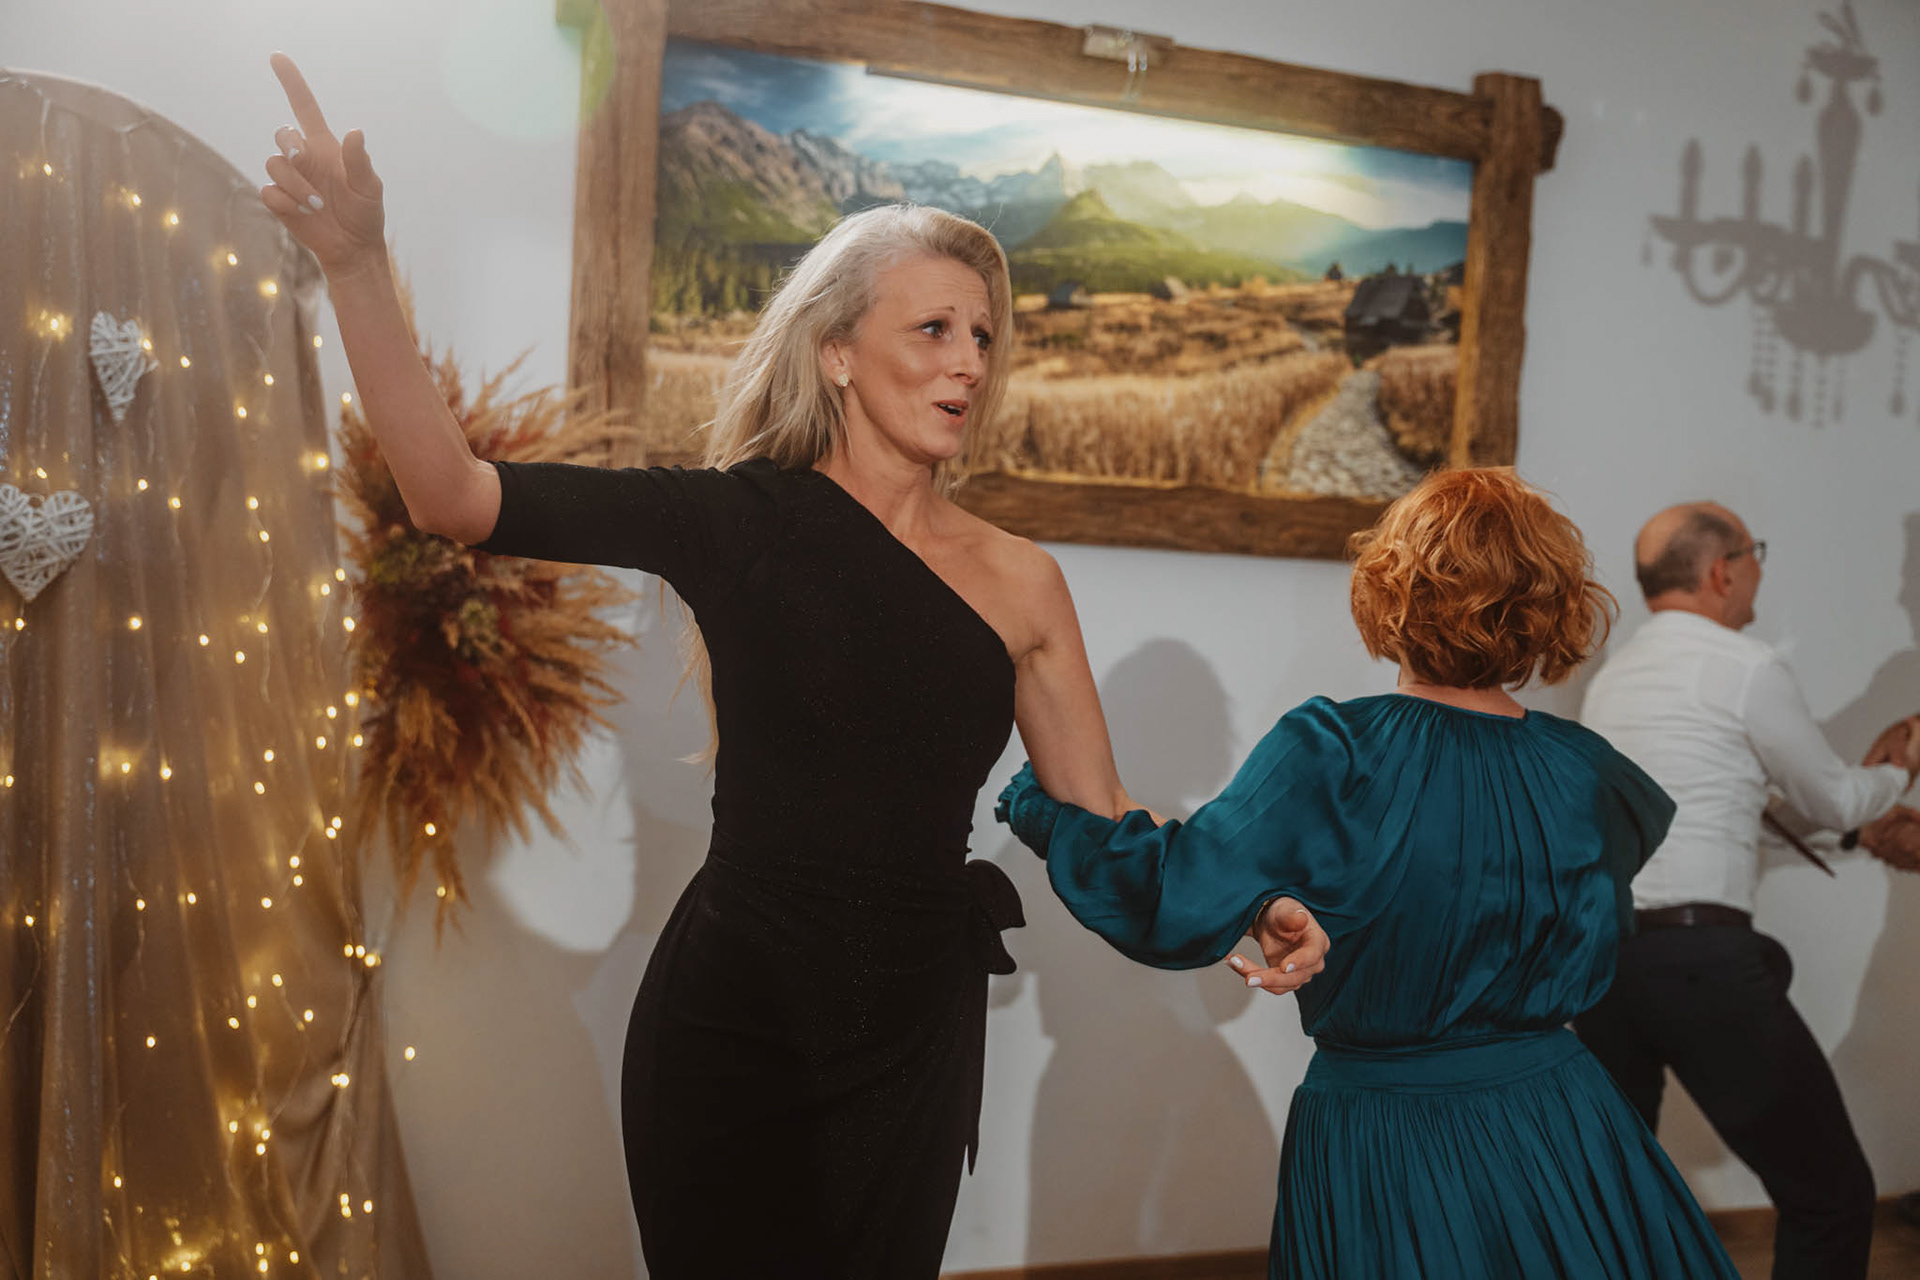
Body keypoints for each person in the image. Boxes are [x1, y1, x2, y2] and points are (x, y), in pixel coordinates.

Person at [256, 54, 1328, 1277]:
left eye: (983, 334)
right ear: (836, 353)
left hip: (912, 1043)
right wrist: (357, 263)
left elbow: (1104, 820)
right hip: (735, 1025)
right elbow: (452, 495)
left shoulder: (1022, 580)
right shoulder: (740, 521)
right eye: (933, 329)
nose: (970, 362)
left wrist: (1240, 901)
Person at [998, 467, 1738, 1278]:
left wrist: (1042, 803)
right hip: (1565, 1120)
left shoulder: (1336, 751)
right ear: (1548, 604)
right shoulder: (1588, 772)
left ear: (1393, 592)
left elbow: (1173, 895)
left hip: (1393, 1134)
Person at [1574, 501, 1920, 1280]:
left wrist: (1859, 832)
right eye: (1754, 551)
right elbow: (1833, 799)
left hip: (1608, 966)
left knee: (1617, 1196)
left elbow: (1722, 808)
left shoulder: (1614, 680)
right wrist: (1902, 766)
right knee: (1832, 1194)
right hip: (1700, 961)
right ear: (1721, 571)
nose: (1760, 566)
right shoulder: (1744, 666)